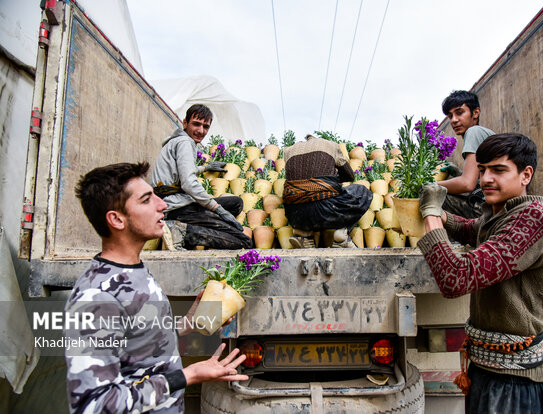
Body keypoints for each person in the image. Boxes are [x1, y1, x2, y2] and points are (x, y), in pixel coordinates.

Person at [65, 162, 248, 413]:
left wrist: (188, 324)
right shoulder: (97, 297)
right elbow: (94, 404)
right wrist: (187, 376)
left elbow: (136, 340)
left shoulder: (135, 269)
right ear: (117, 219)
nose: (162, 205)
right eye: (146, 200)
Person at [417, 134, 543, 413]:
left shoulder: (532, 220)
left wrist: (432, 216)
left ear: (525, 175)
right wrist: (445, 217)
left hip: (515, 385)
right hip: (491, 373)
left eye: (498, 170)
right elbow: (473, 228)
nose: (485, 179)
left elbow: (456, 278)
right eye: (482, 169)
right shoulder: (502, 216)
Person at [151, 104, 251, 250]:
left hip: (175, 202)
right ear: (185, 123)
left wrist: (205, 167)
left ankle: (197, 224)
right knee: (244, 241)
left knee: (236, 203)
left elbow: (183, 170)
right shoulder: (185, 142)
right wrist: (217, 209)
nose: (200, 130)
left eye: (205, 127)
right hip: (176, 208)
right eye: (196, 124)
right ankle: (181, 232)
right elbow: (188, 184)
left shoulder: (177, 141)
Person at [282, 134, 372, 248]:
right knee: (362, 191)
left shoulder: (289, 150)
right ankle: (341, 235)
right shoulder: (330, 145)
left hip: (294, 214)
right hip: (326, 211)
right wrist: (331, 178)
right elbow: (349, 175)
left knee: (302, 195)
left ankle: (303, 233)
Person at [438, 90, 496, 218]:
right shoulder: (483, 133)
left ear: (475, 112)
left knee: (429, 195)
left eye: (459, 113)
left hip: (487, 209)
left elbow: (467, 184)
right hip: (494, 206)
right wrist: (458, 172)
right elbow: (479, 179)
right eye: (450, 116)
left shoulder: (474, 132)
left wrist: (429, 186)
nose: (454, 120)